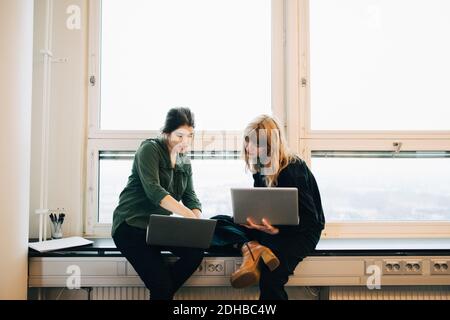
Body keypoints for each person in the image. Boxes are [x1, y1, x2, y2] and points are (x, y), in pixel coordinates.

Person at [211, 115, 325, 300]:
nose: (248, 147)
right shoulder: (260, 168)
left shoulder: (292, 169)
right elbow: (263, 205)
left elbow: (310, 220)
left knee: (270, 280)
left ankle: (251, 248)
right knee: (217, 222)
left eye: (255, 143)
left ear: (269, 145)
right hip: (270, 229)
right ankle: (250, 247)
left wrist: (276, 230)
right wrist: (255, 223)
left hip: (300, 233)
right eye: (247, 141)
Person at [111, 107, 204, 300]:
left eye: (190, 136)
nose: (185, 141)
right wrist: (189, 217)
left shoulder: (184, 160)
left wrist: (197, 218)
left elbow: (191, 196)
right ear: (166, 133)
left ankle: (162, 289)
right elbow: (154, 191)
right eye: (180, 135)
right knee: (161, 287)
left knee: (195, 253)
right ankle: (162, 289)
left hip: (157, 230)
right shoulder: (150, 149)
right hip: (130, 227)